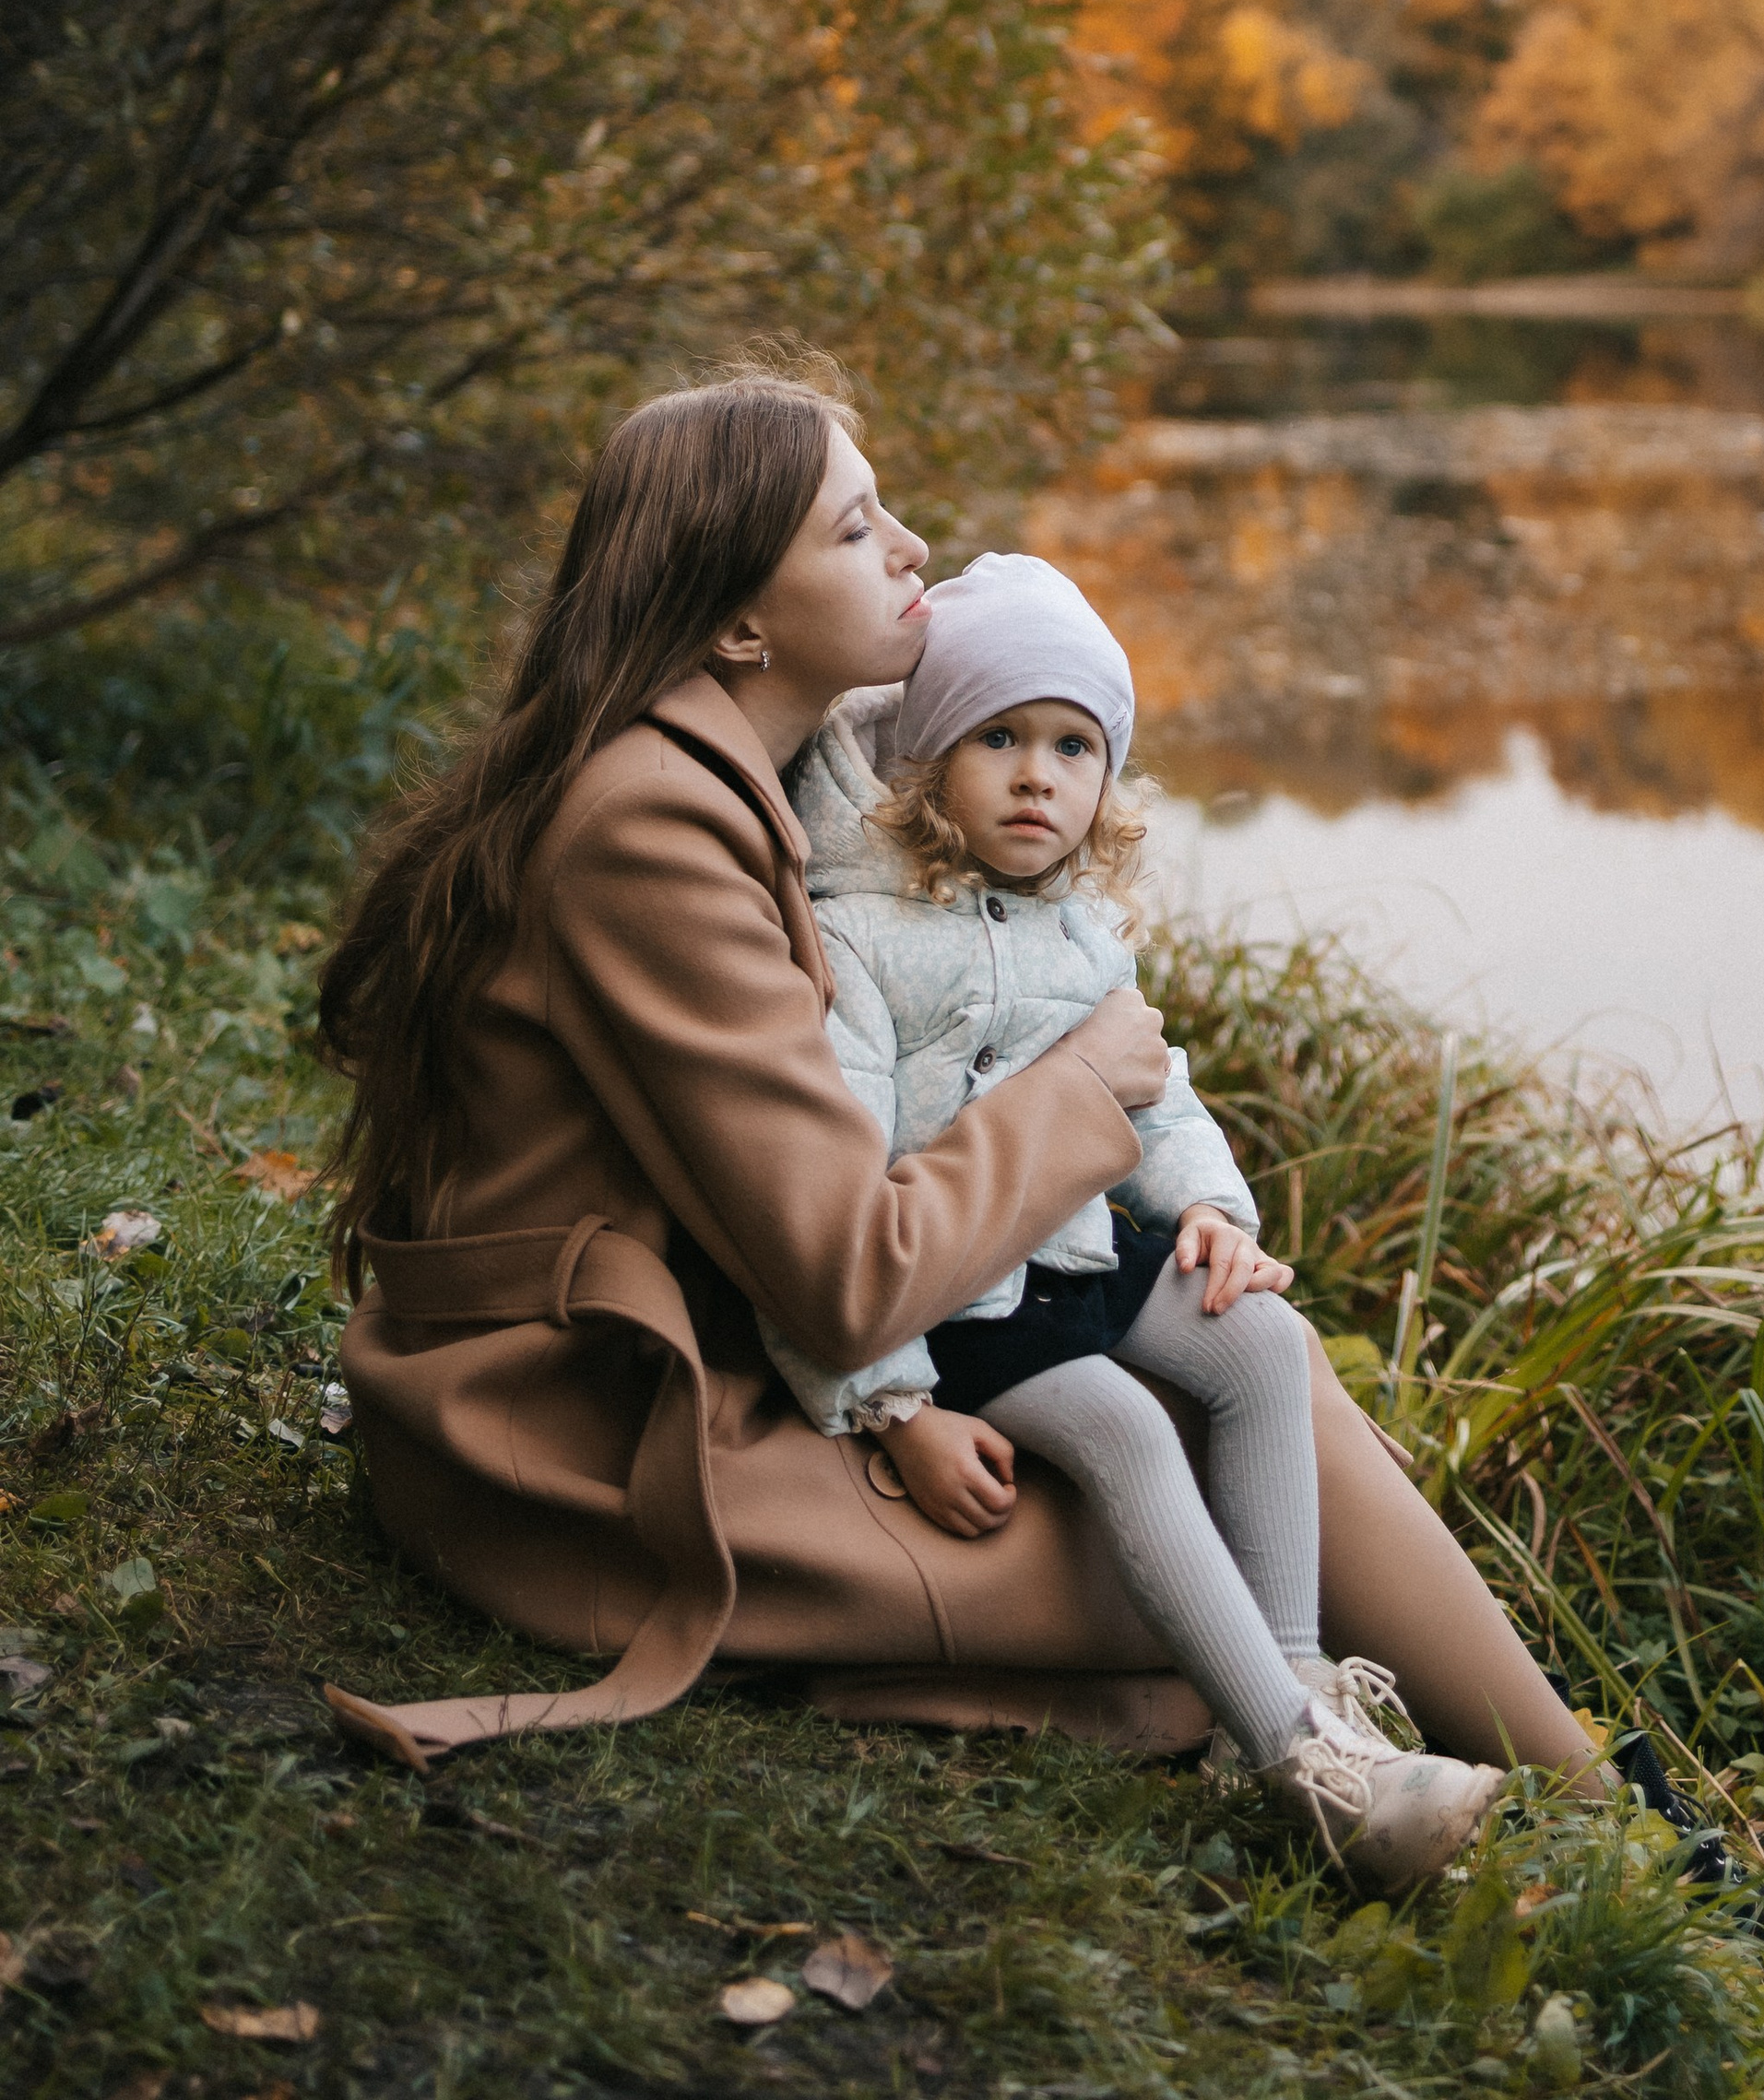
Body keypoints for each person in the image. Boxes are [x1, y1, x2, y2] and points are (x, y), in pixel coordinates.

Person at [314, 357, 1611, 1807]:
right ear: (742, 621)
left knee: (1258, 1370)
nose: (912, 548)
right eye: (857, 528)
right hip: (578, 1450)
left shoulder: (738, 771)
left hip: (703, 1352)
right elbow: (849, 1277)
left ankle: (1568, 1800)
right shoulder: (651, 830)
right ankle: (1557, 1814)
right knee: (1215, 1515)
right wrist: (1091, 1079)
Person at [765, 549, 1504, 1889]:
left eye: (1071, 744)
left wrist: (1215, 1211)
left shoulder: (1082, 931)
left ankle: (1295, 1695)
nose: (1038, 775)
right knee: (1117, 1428)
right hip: (956, 1293)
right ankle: (1312, 1775)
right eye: (998, 738)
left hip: (1081, 1246)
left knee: (1266, 1347)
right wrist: (898, 1409)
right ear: (929, 760)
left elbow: (1157, 1105)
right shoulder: (857, 942)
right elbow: (822, 1197)